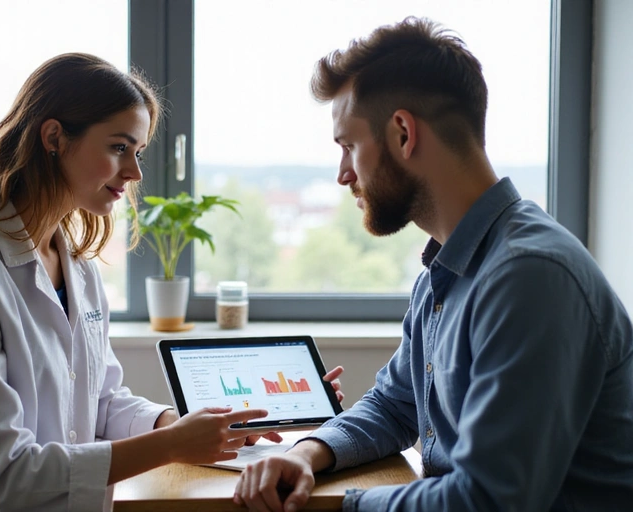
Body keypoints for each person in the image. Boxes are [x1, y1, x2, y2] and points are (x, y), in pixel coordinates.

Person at [0, 53, 343, 512]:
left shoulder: (75, 264)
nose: (135, 173)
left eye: (137, 152)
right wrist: (171, 445)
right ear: (54, 137)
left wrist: (186, 424)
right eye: (119, 148)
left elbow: (101, 400)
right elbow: (8, 472)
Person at [233, 17, 633, 512]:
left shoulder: (529, 277)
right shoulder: (450, 270)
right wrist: (307, 453)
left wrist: (343, 508)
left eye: (348, 146)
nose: (342, 174)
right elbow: (394, 403)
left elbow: (487, 500)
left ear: (403, 133)